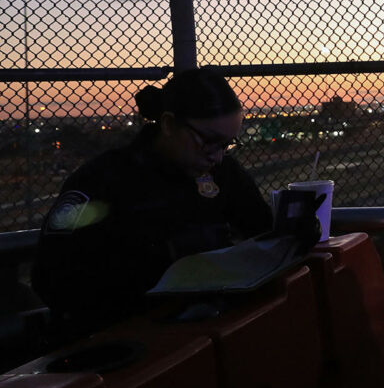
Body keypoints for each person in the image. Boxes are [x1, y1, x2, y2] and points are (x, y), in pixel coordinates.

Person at [32, 68, 272, 335]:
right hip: (132, 335)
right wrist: (151, 267)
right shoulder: (104, 181)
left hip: (211, 326)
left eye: (227, 144)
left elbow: (261, 229)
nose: (217, 156)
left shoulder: (223, 173)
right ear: (169, 124)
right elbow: (52, 277)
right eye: (210, 141)